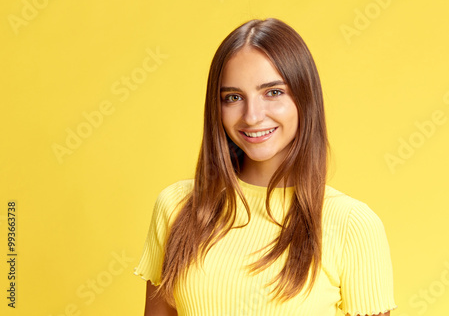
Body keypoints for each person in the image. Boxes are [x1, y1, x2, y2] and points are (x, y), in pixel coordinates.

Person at [134, 18, 397, 316]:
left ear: (304, 98)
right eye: (233, 97)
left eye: (273, 92)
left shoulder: (353, 224)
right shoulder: (176, 207)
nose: (253, 116)